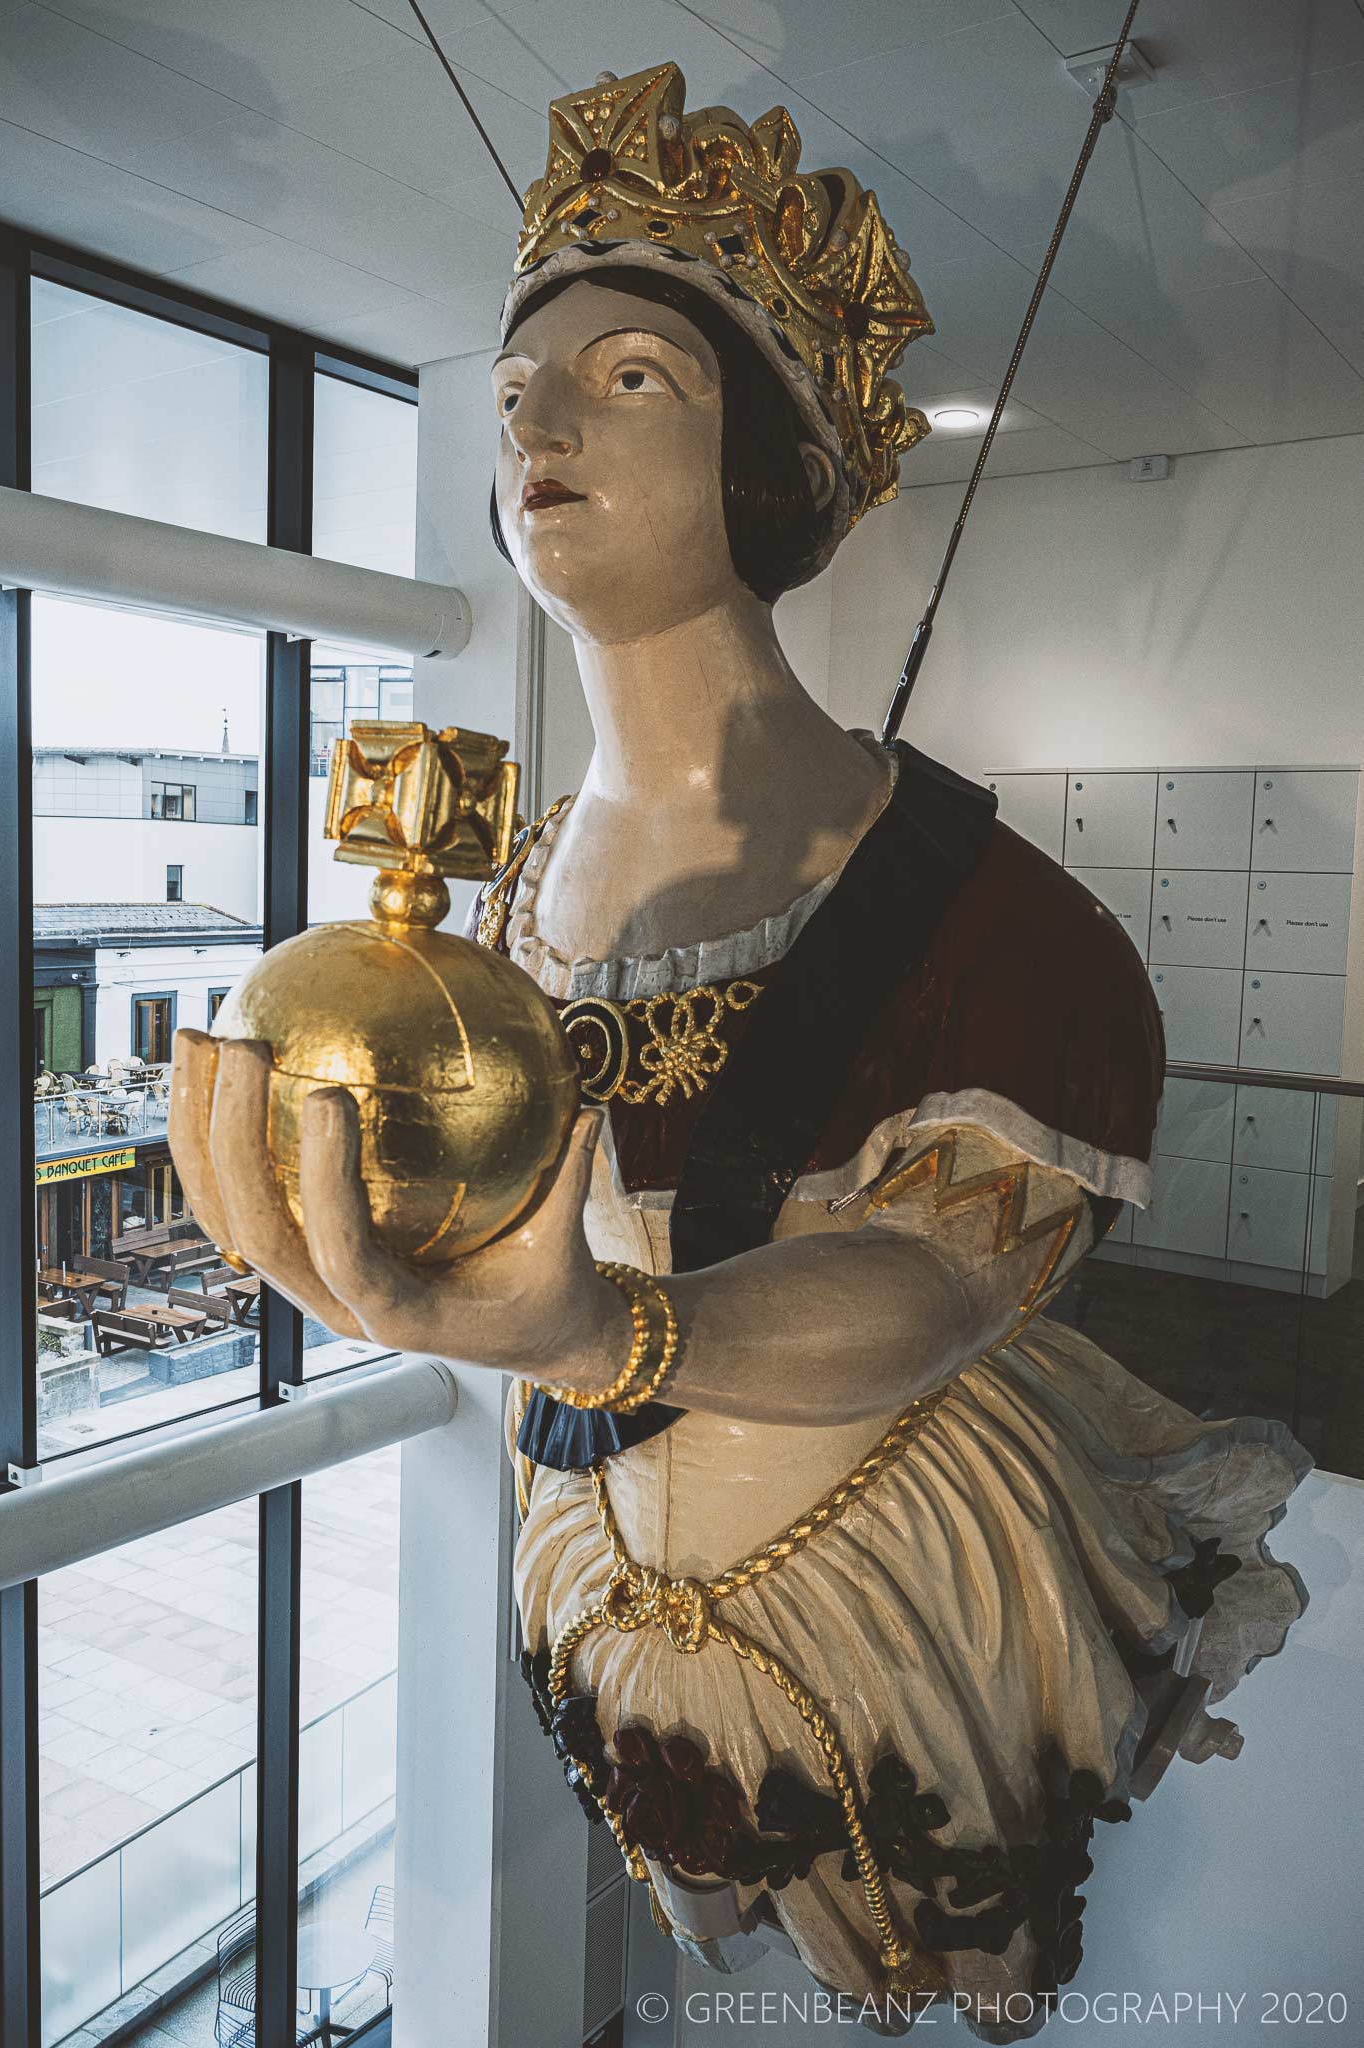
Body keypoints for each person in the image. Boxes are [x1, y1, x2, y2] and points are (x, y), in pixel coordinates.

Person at [171, 64, 1309, 2040]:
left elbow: (943, 1274)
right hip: (591, 1568)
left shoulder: (998, 926)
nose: (533, 416)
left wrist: (600, 1334)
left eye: (625, 380)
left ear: (768, 462)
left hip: (905, 1579)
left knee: (951, 1946)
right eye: (518, 384)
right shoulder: (506, 902)